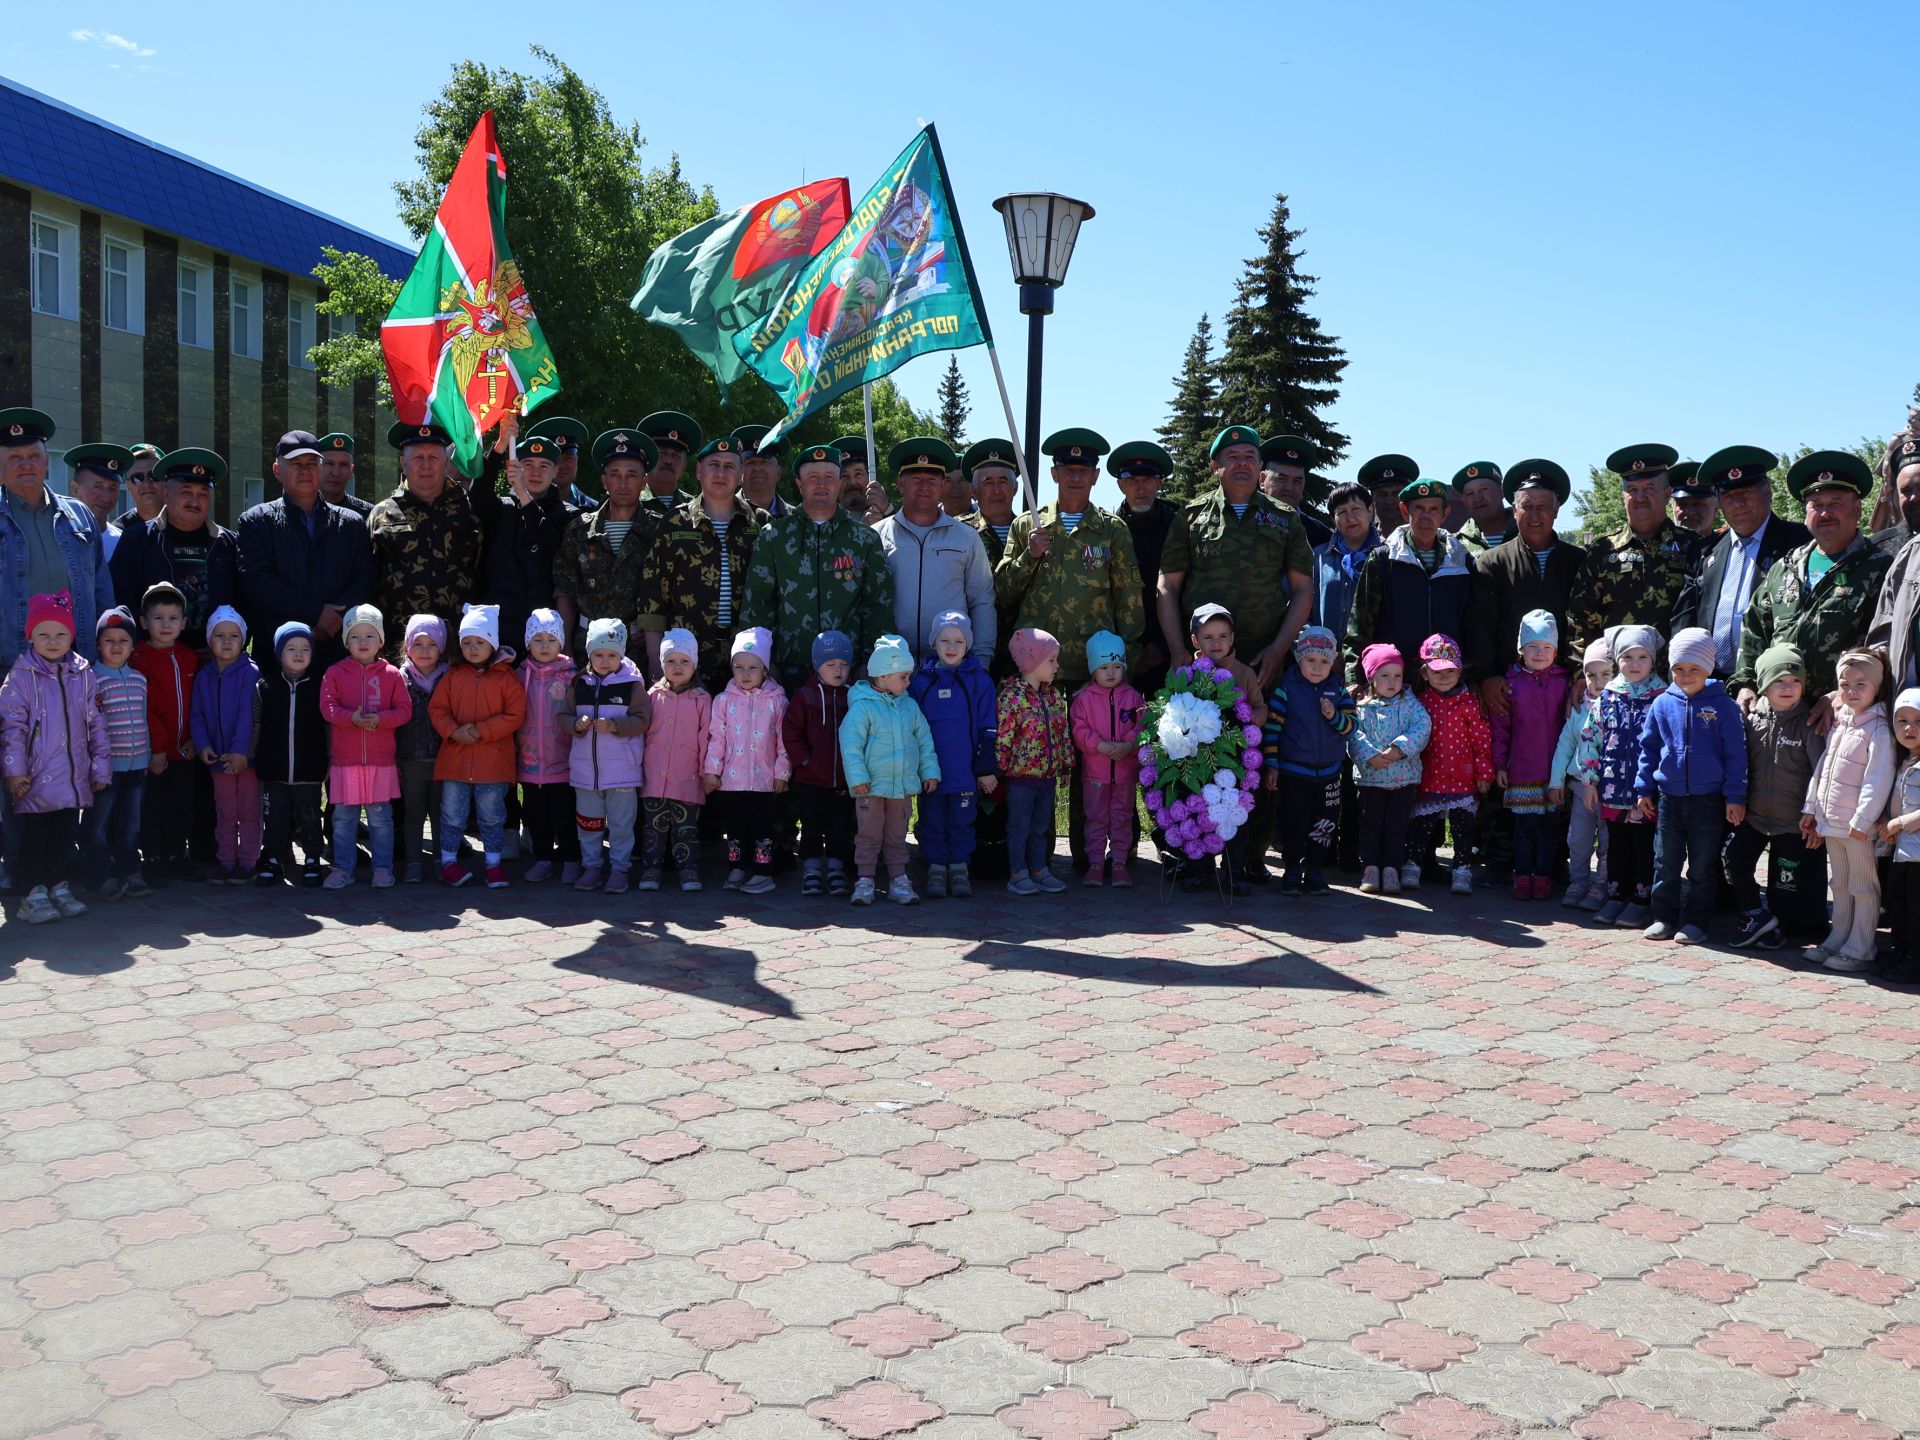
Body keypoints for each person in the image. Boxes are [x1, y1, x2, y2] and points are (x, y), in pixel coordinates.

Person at [1158, 426, 1313, 693]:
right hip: (1203, 658)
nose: (1242, 462)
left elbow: (1303, 589)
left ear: (1260, 466)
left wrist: (1279, 649)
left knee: (1262, 728)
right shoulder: (1190, 517)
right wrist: (1176, 649)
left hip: (1263, 658)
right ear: (1214, 466)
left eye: (1250, 456)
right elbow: (1167, 586)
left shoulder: (1286, 519)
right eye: (1233, 456)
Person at [1735, 452, 1890, 720]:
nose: (1825, 513)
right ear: (1806, 513)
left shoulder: (1880, 568)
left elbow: (1883, 645)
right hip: (1777, 716)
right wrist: (1746, 684)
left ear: (1858, 508)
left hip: (1843, 716)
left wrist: (1841, 695)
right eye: (1816, 504)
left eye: (1836, 503)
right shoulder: (1784, 567)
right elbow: (1755, 630)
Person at [997, 429, 1144, 692]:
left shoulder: (1113, 531)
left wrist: (1126, 663)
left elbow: (1129, 602)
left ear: (1095, 476)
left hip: (1093, 669)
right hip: (1035, 666)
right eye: (1067, 470)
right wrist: (1028, 556)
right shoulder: (1027, 525)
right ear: (1054, 474)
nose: (1075, 477)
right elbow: (1003, 593)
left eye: (1083, 470)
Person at [740, 442, 894, 692]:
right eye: (813, 477)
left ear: (838, 483)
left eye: (829, 477)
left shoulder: (864, 539)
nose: (821, 484)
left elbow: (879, 607)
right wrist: (762, 661)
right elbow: (757, 605)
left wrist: (871, 663)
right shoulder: (774, 536)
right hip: (787, 676)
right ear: (799, 484)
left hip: (850, 675)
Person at [1, 590, 108, 923]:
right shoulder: (20, 676)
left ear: (71, 637)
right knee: (34, 836)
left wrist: (99, 767)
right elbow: (12, 729)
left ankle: (58, 886)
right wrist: (14, 772)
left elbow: (96, 724)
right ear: (30, 635)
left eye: (61, 634)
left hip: (72, 777)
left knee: (64, 835)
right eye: (43, 634)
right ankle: (32, 895)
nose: (52, 641)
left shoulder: (82, 673)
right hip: (34, 779)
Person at [1636, 627, 1747, 944]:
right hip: (1669, 798)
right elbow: (1648, 749)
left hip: (1708, 800)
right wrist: (1644, 788)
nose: (1685, 675)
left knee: (1702, 866)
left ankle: (1696, 921)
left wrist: (1734, 796)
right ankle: (1664, 917)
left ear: (1708, 668)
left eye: (1694, 668)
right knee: (1665, 862)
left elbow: (1736, 755)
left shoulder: (1724, 706)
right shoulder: (1661, 704)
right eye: (1678, 668)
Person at [235, 431, 376, 668]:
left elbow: (365, 578)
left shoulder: (352, 523)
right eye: (295, 464)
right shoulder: (256, 521)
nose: (305, 470)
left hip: (338, 652)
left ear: (320, 469)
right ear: (277, 471)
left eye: (311, 463)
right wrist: (316, 613)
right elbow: (257, 581)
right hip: (277, 656)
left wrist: (334, 619)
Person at [637, 436, 761, 694]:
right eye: (713, 464)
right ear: (698, 471)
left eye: (729, 466)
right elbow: (653, 597)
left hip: (748, 657)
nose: (720, 473)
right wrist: (655, 660)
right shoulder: (675, 522)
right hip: (685, 658)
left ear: (740, 475)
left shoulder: (758, 524)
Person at [0, 412, 114, 685]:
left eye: (33, 456)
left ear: (45, 462)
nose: (26, 464)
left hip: (79, 665)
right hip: (12, 669)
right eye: (15, 458)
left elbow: (102, 591)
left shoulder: (80, 515)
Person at [1671, 447, 1806, 678]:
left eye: (1746, 493)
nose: (1738, 503)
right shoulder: (1707, 550)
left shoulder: (1800, 543)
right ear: (1719, 501)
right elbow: (1685, 620)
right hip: (1710, 685)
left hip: (1774, 683)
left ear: (1767, 491)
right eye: (1729, 497)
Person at [1726, 644, 1826, 949]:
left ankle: (1778, 926)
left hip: (1792, 824)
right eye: (1779, 681)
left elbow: (1821, 772)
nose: (1788, 688)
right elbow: (1739, 763)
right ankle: (1754, 913)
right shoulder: (1751, 719)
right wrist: (1737, 799)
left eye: (1795, 682)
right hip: (1753, 817)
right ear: (1764, 685)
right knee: (1733, 860)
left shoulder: (1810, 723)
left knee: (1785, 886)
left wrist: (1816, 815)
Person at [1800, 647, 1894, 971]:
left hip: (1856, 825)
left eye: (1860, 684)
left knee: (1863, 886)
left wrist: (1863, 819)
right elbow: (1823, 768)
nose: (1851, 691)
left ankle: (1861, 946)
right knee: (1839, 883)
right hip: (1831, 821)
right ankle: (1837, 938)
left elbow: (1877, 779)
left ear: (1877, 687)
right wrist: (1812, 807)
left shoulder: (1879, 730)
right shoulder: (1841, 723)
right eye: (1845, 684)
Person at [1565, 444, 1699, 654]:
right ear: (1623, 496)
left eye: (1649, 489)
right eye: (1633, 490)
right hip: (1615, 679)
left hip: (1678, 678)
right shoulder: (1602, 551)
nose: (1640, 498)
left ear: (1667, 494)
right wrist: (1582, 671)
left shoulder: (1694, 547)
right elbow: (1580, 615)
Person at [876, 439, 997, 668]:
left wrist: (981, 660)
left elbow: (981, 601)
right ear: (900, 483)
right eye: (916, 479)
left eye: (932, 480)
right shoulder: (876, 537)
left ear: (942, 485)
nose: (924, 487)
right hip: (890, 669)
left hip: (951, 668)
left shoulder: (967, 538)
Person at [1344, 477, 1474, 689]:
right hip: (1395, 686)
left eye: (1433, 509)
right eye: (1419, 508)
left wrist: (1474, 676)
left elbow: (1472, 623)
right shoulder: (1384, 559)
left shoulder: (1462, 562)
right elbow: (1360, 624)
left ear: (1445, 514)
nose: (1425, 516)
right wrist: (1354, 680)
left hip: (1448, 685)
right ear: (1405, 511)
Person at [367, 422, 484, 652]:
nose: (426, 465)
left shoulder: (470, 512)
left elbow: (483, 572)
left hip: (461, 646)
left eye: (433, 457)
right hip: (398, 646)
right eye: (418, 457)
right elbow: (368, 579)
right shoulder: (382, 514)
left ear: (446, 462)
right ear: (403, 462)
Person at [431, 603, 524, 889]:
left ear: (492, 644)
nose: (472, 648)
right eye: (467, 642)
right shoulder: (452, 675)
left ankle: (493, 865)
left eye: (480, 642)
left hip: (492, 764)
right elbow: (438, 709)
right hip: (455, 761)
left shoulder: (507, 678)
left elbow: (515, 714)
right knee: (452, 814)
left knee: (492, 816)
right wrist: (454, 731)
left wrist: (482, 731)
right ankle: (448, 862)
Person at [110, 446, 240, 651]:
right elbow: (122, 604)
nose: (194, 501)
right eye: (186, 492)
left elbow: (245, 605)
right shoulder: (136, 540)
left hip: (216, 663)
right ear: (165, 493)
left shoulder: (229, 543)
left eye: (203, 493)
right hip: (156, 662)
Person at [842, 633, 939, 906]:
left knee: (897, 835)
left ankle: (898, 879)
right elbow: (850, 744)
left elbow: (924, 739)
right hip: (870, 787)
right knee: (868, 834)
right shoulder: (862, 708)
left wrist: (929, 771)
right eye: (903, 677)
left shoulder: (909, 706)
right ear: (883, 676)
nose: (908, 682)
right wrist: (858, 778)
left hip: (901, 787)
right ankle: (865, 880)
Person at [1182, 603, 1272, 894]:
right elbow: (1177, 709)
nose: (1216, 642)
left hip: (1235, 763)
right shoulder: (1188, 674)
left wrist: (1251, 718)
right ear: (1196, 641)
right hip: (1199, 762)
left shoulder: (1244, 673)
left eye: (1223, 636)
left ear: (1233, 639)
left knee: (1235, 817)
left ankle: (1235, 869)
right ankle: (1201, 869)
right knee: (1200, 815)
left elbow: (1261, 707)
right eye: (1208, 637)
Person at [320, 604, 410, 889]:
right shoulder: (334, 673)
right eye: (355, 636)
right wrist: (351, 719)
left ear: (381, 640)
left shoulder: (393, 674)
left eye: (369, 635)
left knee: (381, 819)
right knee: (343, 819)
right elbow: (327, 708)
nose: (362, 641)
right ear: (346, 641)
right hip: (345, 760)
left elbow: (404, 711)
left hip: (381, 761)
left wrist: (380, 720)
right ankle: (342, 869)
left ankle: (382, 868)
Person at [1582, 626, 1666, 927]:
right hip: (1612, 786)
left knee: (1643, 846)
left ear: (1653, 661)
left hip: (1645, 792)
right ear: (1617, 661)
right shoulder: (1608, 696)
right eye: (1627, 657)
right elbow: (1590, 736)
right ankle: (1616, 895)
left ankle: (1640, 899)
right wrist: (1590, 780)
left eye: (1642, 656)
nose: (1635, 663)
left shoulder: (1662, 696)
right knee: (1616, 845)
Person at [1260, 625, 1355, 893]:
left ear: (1332, 662)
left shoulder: (1338, 689)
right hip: (1294, 771)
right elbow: (1273, 728)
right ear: (1299, 658)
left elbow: (1352, 726)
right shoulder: (1287, 687)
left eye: (1324, 661)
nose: (1316, 667)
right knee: (1295, 821)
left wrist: (1334, 717)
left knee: (1325, 824)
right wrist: (1273, 764)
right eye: (1310, 660)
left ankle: (1315, 869)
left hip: (1329, 772)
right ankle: (1291, 868)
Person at [909, 611, 997, 898]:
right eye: (944, 639)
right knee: (932, 822)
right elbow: (909, 726)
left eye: (959, 640)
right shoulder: (920, 682)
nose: (951, 646)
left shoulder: (979, 681)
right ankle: (935, 868)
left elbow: (988, 726)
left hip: (964, 773)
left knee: (962, 822)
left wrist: (984, 768)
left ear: (968, 645)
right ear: (933, 643)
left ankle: (959, 868)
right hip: (931, 773)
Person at [554, 429, 661, 664]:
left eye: (632, 475)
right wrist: (566, 647)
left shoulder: (659, 531)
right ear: (604, 480)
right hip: (587, 649)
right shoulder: (579, 530)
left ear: (644, 481)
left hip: (637, 651)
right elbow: (565, 592)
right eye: (615, 474)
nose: (623, 483)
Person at [701, 627, 790, 895]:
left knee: (762, 826)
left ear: (765, 669)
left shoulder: (777, 701)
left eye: (753, 667)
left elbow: (784, 740)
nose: (745, 673)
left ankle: (763, 872)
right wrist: (711, 772)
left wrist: (781, 774)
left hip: (763, 779)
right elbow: (716, 738)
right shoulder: (724, 701)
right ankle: (737, 867)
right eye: (738, 667)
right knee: (735, 827)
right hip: (731, 779)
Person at [1492, 611, 1573, 901]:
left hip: (1554, 772)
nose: (1540, 653)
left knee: (1550, 829)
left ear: (1556, 650)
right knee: (1524, 829)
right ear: (1521, 650)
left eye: (1546, 647)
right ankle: (1522, 874)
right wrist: (1501, 763)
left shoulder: (1564, 683)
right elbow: (1502, 728)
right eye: (1533, 647)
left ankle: (1543, 877)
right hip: (1522, 771)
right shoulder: (1511, 683)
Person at [476, 433, 578, 659]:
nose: (534, 472)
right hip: (498, 631)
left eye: (544, 466)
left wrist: (523, 493)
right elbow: (478, 495)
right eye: (527, 465)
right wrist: (500, 447)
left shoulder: (569, 515)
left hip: (543, 637)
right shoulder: (502, 508)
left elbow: (547, 545)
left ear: (555, 471)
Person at [570, 617, 649, 895]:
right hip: (585, 773)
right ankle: (592, 866)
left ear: (622, 655)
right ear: (589, 653)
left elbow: (642, 720)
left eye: (612, 655)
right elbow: (563, 716)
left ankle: (619, 869)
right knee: (588, 823)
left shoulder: (632, 685)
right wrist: (575, 725)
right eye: (599, 654)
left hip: (622, 773)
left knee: (621, 824)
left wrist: (616, 725)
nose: (605, 661)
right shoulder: (580, 682)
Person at [1411, 634, 1492, 896]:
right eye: (1437, 671)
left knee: (1462, 830)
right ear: (1425, 673)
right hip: (1429, 777)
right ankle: (1413, 866)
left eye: (1450, 670)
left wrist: (1484, 772)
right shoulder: (1420, 703)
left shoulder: (1470, 703)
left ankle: (1462, 870)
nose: (1444, 676)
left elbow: (1481, 741)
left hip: (1462, 778)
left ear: (1459, 671)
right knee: (1422, 828)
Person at [1349, 643, 1430, 894]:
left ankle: (1392, 869)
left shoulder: (1410, 703)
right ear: (1371, 677)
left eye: (1397, 675)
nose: (1392, 681)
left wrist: (1399, 749)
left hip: (1402, 780)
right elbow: (1352, 734)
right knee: (1370, 825)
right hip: (1370, 779)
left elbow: (1422, 727)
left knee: (1397, 827)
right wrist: (1369, 756)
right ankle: (1371, 868)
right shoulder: (1360, 706)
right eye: (1384, 675)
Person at [994, 628, 1069, 897]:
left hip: (1046, 776)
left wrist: (1065, 764)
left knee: (1041, 827)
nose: (1056, 666)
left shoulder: (1053, 696)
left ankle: (1038, 868)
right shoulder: (1012, 697)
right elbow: (1003, 736)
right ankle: (1017, 873)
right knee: (1020, 826)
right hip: (1021, 777)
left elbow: (1062, 732)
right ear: (1030, 661)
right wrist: (999, 769)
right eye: (1051, 660)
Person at [133, 581, 198, 887]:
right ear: (144, 622)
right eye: (158, 618)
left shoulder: (188, 657)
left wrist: (195, 739)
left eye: (173, 618)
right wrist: (157, 749)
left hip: (185, 750)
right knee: (153, 805)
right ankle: (153, 856)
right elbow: (144, 710)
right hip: (155, 754)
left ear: (184, 623)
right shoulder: (139, 660)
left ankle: (176, 853)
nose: (166, 625)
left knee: (181, 803)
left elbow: (198, 703)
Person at [253, 621, 327, 888]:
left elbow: (327, 728)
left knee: (309, 818)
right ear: (278, 653)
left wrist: (328, 759)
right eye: (291, 648)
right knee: (275, 818)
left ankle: (312, 859)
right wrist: (253, 756)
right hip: (274, 769)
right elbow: (256, 725)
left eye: (304, 648)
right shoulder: (265, 686)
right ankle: (272, 858)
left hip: (309, 769)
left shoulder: (321, 686)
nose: (298, 653)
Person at [191, 605, 262, 885]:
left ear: (243, 639)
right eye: (220, 635)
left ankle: (247, 862)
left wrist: (240, 751)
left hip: (246, 760)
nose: (227, 641)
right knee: (225, 812)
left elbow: (249, 715)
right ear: (210, 640)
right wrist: (202, 744)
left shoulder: (251, 673)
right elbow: (196, 714)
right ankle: (226, 861)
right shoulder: (204, 676)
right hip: (218, 759)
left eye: (234, 635)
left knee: (249, 811)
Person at [84, 607, 149, 898]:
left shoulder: (139, 679)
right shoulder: (90, 680)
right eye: (109, 640)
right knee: (98, 826)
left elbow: (144, 719)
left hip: (137, 766)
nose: (116, 646)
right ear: (99, 644)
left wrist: (148, 757)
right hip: (106, 769)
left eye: (123, 640)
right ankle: (97, 874)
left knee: (131, 825)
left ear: (133, 645)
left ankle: (129, 871)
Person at [1070, 630, 1143, 889]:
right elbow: (1079, 730)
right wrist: (1098, 745)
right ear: (1093, 669)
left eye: (1116, 665)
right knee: (1096, 817)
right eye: (1103, 666)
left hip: (1124, 773)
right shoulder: (1083, 699)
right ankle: (1095, 864)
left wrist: (1129, 745)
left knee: (1121, 816)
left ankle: (1120, 862)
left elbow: (1142, 727)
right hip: (1095, 774)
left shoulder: (1133, 698)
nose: (1111, 672)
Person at [785, 631, 856, 897]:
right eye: (830, 665)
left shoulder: (854, 697)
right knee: (812, 824)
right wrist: (804, 760)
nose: (838, 670)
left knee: (840, 825)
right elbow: (791, 730)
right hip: (811, 779)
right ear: (817, 667)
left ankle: (836, 870)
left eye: (843, 664)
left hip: (843, 780)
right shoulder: (805, 696)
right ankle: (812, 869)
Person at [640, 629, 711, 892]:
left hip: (687, 778)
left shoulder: (702, 699)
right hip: (654, 776)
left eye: (684, 661)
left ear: (694, 664)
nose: (678, 667)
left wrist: (707, 772)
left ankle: (688, 868)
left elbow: (708, 737)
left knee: (686, 828)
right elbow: (641, 736)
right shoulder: (652, 696)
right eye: (671, 661)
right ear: (662, 664)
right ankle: (651, 867)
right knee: (653, 827)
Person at [1549, 639, 1614, 912]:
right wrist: (1556, 781)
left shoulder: (1620, 709)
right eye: (1591, 675)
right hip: (1579, 788)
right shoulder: (1579, 709)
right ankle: (1578, 881)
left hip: (1610, 791)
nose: (1598, 682)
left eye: (1606, 675)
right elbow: (1565, 745)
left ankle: (1602, 884)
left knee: (1609, 840)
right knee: (1578, 838)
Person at [517, 609, 581, 883]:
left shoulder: (571, 676)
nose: (545, 646)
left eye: (551, 640)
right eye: (538, 639)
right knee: (537, 816)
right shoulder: (519, 674)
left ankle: (571, 859)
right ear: (528, 642)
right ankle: (542, 859)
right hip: (529, 762)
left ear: (561, 643)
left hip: (562, 762)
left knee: (565, 816)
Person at [1110, 442, 1180, 691]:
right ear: (1120, 483)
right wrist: (1128, 650)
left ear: (1159, 483)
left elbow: (1191, 588)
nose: (1140, 487)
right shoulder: (1106, 530)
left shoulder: (1179, 527)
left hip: (1172, 651)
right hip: (1116, 658)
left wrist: (1162, 646)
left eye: (1148, 479)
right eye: (1132, 479)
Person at [395, 615, 448, 885]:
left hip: (444, 761)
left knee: (441, 814)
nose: (424, 650)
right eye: (418, 643)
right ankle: (414, 862)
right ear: (407, 648)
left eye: (432, 644)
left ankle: (442, 860)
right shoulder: (398, 678)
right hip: (411, 760)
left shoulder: (449, 677)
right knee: (413, 814)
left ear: (442, 647)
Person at [1878, 688, 1920, 983]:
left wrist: (1900, 822)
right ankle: (1899, 949)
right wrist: (1885, 820)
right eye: (1902, 720)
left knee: (1917, 908)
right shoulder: (1901, 761)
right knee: (1898, 901)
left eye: (1919, 721)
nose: (1909, 728)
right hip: (1902, 850)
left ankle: (1916, 958)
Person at [1312, 481, 1381, 639]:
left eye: (1356, 509)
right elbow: (1300, 610)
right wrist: (1316, 649)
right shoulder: (1318, 558)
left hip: (1374, 658)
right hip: (1322, 657)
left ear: (1370, 510)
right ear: (1333, 518)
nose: (1350, 518)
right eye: (1341, 512)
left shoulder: (1387, 555)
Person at [1259, 435, 1332, 547]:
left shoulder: (1321, 536)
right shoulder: (1238, 523)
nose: (1289, 487)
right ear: (1262, 480)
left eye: (1297, 481)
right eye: (1281, 478)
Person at [64, 443, 132, 563]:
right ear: (76, 489)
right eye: (98, 487)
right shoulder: (58, 538)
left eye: (113, 488)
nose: (106, 497)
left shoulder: (122, 543)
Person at [637, 412, 701, 515]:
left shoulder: (696, 510)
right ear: (647, 460)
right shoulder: (629, 503)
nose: (668, 461)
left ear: (684, 466)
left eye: (676, 455)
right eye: (662, 453)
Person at [1452, 462, 1513, 553]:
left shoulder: (1528, 531)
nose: (1477, 499)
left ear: (1501, 491)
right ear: (1464, 501)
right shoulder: (1456, 544)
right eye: (1470, 493)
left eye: (1484, 489)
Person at [732, 425, 790, 518]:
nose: (757, 468)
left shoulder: (798, 520)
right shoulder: (719, 516)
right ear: (739, 471)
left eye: (764, 462)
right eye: (750, 462)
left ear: (778, 472)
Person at [1356, 454, 1418, 537]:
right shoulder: (1360, 541)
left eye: (1396, 494)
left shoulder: (1426, 540)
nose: (1389, 500)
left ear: (1408, 497)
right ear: (1372, 499)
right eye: (1382, 494)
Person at [316, 433, 372, 517]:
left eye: (343, 465)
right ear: (316, 467)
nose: (336, 473)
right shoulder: (298, 512)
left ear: (351, 470)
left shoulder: (369, 515)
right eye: (329, 464)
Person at [118, 443, 168, 529]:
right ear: (128, 485)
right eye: (138, 478)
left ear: (166, 480)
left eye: (153, 476)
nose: (147, 484)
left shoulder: (188, 525)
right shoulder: (118, 534)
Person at [1667, 462, 1721, 540]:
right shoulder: (1660, 548)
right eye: (1682, 505)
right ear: (1674, 508)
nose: (1689, 511)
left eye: (1698, 505)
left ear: (1716, 510)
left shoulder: (1730, 549)